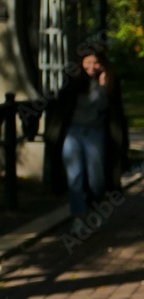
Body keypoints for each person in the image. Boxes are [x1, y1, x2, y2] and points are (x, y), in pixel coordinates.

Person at [45, 49, 128, 217]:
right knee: (75, 175)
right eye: (88, 62)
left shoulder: (109, 83)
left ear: (103, 64)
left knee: (96, 178)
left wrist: (104, 88)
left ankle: (94, 205)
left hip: (95, 133)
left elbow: (106, 108)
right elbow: (62, 106)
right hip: (73, 132)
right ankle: (79, 215)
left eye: (96, 62)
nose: (92, 66)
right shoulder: (73, 81)